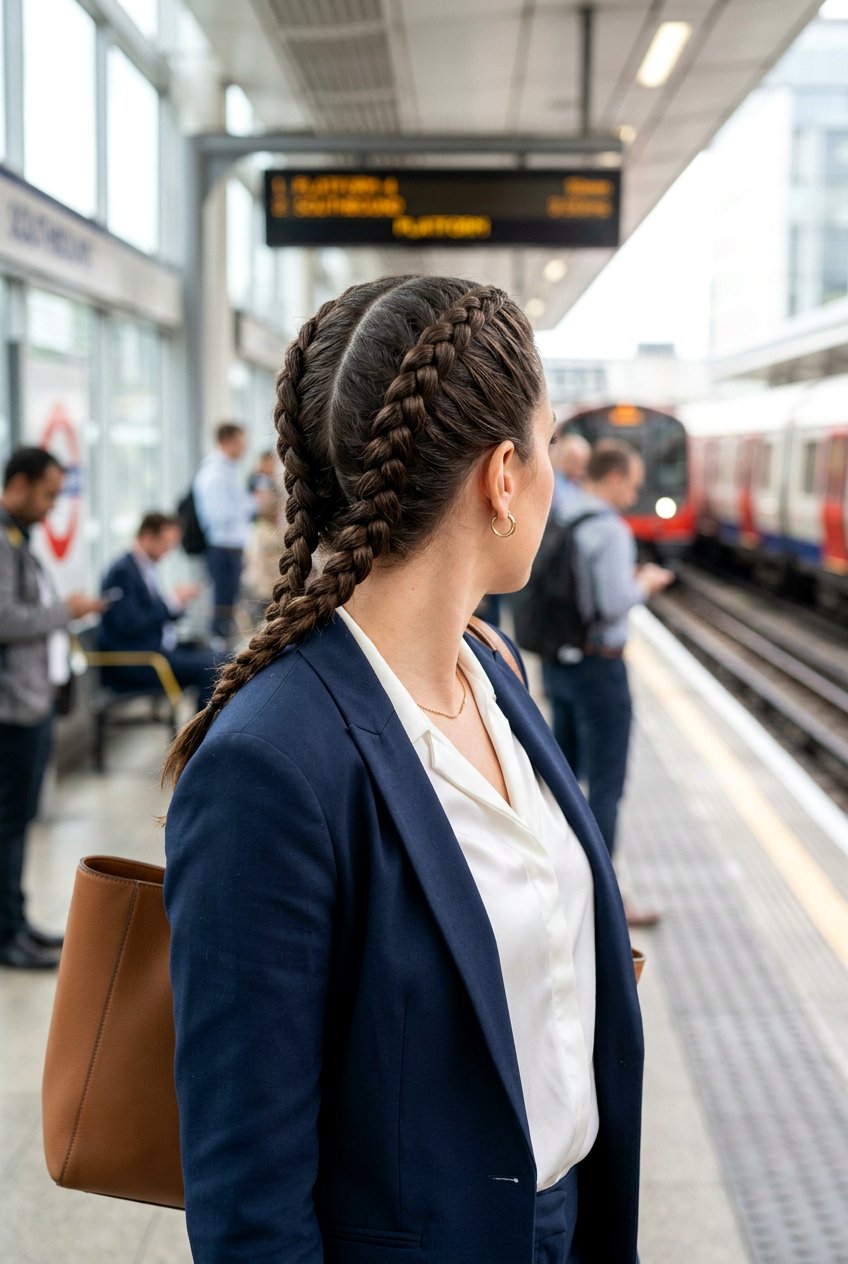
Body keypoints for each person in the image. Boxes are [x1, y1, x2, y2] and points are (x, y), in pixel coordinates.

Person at [163, 277, 644, 1264]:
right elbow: (249, 1203)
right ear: (501, 476)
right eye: (548, 446)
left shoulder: (495, 673)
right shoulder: (270, 764)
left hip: (561, 1225)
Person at [541, 439, 673, 882]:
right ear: (614, 478)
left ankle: (563, 875)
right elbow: (614, 602)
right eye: (632, 486)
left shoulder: (563, 512)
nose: (633, 496)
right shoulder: (611, 529)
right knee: (606, 786)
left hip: (559, 664)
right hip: (600, 669)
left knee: (562, 781)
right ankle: (604, 895)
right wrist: (647, 584)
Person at [0, 447, 104, 969]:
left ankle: (15, 923)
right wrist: (67, 611)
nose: (50, 507)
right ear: (18, 484)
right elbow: (6, 619)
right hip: (12, 711)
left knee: (17, 823)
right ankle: (6, 934)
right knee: (8, 825)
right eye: (45, 494)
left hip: (29, 702)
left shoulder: (18, 539)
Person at [98, 513, 221, 709]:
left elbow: (152, 615)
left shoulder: (144, 569)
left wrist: (177, 603)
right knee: (212, 667)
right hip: (138, 660)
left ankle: (205, 728)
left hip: (156, 651)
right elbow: (128, 625)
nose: (168, 551)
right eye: (166, 543)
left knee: (220, 656)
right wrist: (171, 602)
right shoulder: (122, 572)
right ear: (147, 536)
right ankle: (201, 734)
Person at [192, 422, 253, 643]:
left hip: (231, 547)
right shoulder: (214, 473)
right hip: (222, 547)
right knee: (222, 605)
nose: (244, 449)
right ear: (227, 442)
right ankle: (217, 654)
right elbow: (220, 514)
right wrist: (247, 506)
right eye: (240, 443)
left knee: (229, 603)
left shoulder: (228, 470)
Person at [240, 490, 282, 626]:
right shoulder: (261, 533)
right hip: (264, 589)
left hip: (268, 587)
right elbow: (258, 564)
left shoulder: (267, 530)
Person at [550, 430, 591, 519]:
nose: (581, 468)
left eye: (584, 463)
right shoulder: (554, 483)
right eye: (575, 462)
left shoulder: (580, 483)